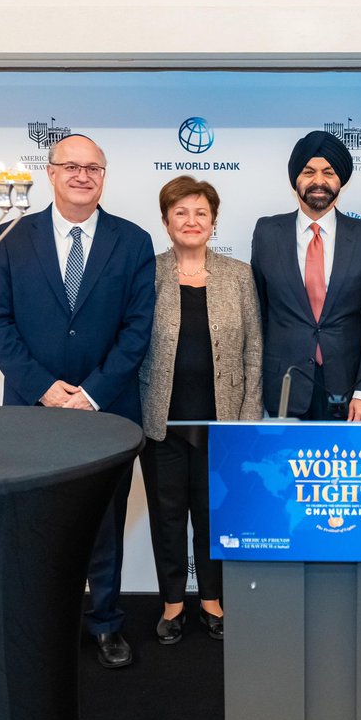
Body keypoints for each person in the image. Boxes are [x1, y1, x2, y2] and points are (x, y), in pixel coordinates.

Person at [0, 133, 156, 668]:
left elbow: (137, 328)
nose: (83, 176)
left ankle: (105, 622)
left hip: (107, 410)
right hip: (33, 411)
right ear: (50, 173)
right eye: (71, 166)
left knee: (104, 522)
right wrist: (43, 386)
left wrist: (93, 391)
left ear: (104, 176)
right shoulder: (9, 236)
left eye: (93, 168)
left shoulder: (133, 241)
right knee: (37, 524)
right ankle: (45, 627)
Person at [138, 176, 263, 642]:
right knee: (167, 515)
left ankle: (211, 599)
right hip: (161, 422)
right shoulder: (145, 274)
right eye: (180, 213)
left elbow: (254, 350)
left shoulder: (239, 275)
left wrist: (247, 422)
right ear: (166, 221)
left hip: (222, 423)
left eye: (200, 213)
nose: (191, 221)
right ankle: (172, 604)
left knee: (215, 515)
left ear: (213, 221)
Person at [251, 130, 361, 420]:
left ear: (341, 181)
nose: (319, 181)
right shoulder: (266, 233)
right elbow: (258, 312)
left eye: (329, 172)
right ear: (295, 179)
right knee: (283, 465)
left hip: (347, 391)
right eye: (308, 171)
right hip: (284, 384)